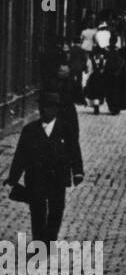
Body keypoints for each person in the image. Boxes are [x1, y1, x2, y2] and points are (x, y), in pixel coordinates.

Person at [5, 92, 84, 242]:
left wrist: (78, 172)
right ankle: (39, 242)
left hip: (58, 178)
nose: (44, 111)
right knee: (37, 212)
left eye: (48, 107)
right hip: (36, 178)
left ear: (56, 109)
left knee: (56, 210)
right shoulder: (29, 130)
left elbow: (74, 151)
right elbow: (20, 156)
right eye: (42, 107)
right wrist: (13, 178)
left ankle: (49, 240)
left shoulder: (65, 129)